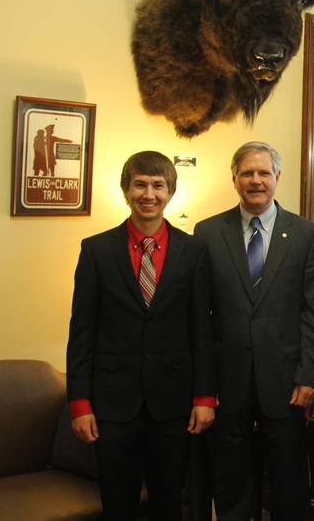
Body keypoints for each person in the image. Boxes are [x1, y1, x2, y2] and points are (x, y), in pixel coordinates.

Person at [66, 150, 216, 521]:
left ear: (170, 192)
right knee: (118, 503)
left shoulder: (194, 251)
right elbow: (81, 332)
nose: (148, 194)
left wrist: (204, 396)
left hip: (173, 403)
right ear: (126, 190)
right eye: (140, 185)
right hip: (113, 405)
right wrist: (79, 403)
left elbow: (202, 329)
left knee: (168, 502)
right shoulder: (96, 250)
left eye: (158, 186)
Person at [194, 141, 314, 520]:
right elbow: (201, 317)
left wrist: (309, 374)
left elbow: (312, 310)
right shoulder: (206, 233)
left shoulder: (305, 234)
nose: (255, 181)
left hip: (285, 382)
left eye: (263, 173)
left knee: (288, 481)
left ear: (277, 178)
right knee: (231, 480)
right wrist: (204, 385)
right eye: (247, 173)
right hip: (227, 379)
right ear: (233, 178)